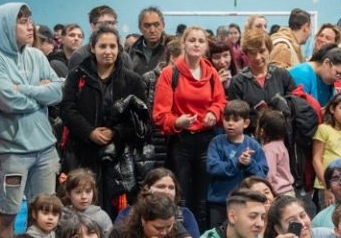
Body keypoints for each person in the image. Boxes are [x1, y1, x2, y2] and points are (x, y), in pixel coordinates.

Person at [0, 1, 62, 221]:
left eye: (30, 21)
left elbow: (57, 92)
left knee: (44, 217)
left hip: (45, 149)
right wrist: (41, 96)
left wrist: (26, 89)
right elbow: (9, 101)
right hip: (11, 151)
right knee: (7, 216)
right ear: (7, 26)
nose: (30, 27)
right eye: (23, 22)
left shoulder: (37, 55)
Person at [61, 24, 148, 215]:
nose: (108, 51)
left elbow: (140, 120)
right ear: (92, 48)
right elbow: (67, 110)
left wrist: (115, 132)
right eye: (102, 46)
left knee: (115, 212)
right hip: (82, 153)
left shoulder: (132, 80)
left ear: (119, 48)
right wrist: (89, 132)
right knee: (82, 209)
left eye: (112, 46)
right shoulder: (77, 76)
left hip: (119, 158)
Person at [154, 26, 228, 215]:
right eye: (192, 40)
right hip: (181, 142)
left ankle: (202, 233)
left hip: (207, 140)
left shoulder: (212, 74)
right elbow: (160, 114)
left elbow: (221, 102)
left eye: (201, 41)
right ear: (184, 44)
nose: (196, 44)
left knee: (204, 199)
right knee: (181, 198)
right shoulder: (169, 73)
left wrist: (214, 112)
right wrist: (178, 122)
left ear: (206, 47)